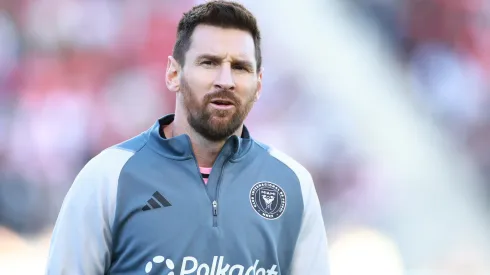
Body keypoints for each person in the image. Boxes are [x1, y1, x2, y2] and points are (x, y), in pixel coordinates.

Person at [46, 1, 330, 274]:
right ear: (173, 73)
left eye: (240, 67)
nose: (225, 80)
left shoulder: (293, 184)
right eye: (209, 63)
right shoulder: (108, 177)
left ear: (258, 85)